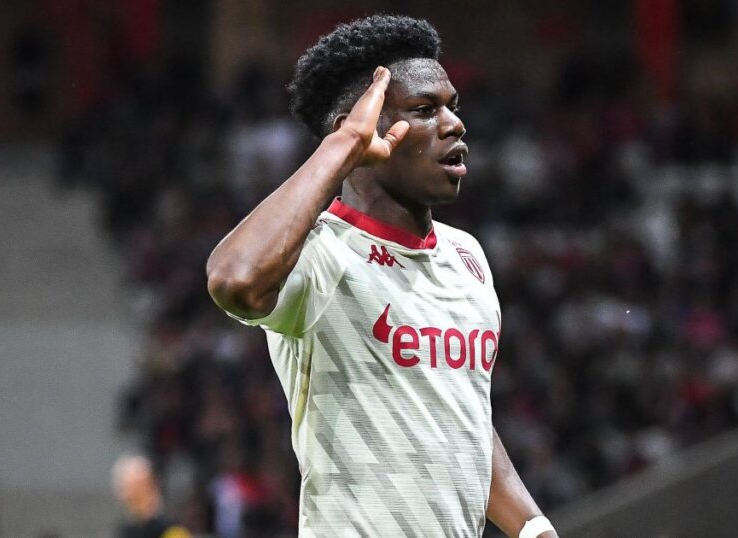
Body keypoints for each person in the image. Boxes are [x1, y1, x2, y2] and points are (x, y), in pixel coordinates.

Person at [206, 14, 557, 538]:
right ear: (361, 127)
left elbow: (461, 416)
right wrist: (342, 146)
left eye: (452, 107)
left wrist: (535, 529)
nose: (454, 124)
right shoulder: (319, 255)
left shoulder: (468, 256)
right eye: (424, 110)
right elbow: (232, 279)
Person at [112, 454, 192, 538]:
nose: (124, 492)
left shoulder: (171, 530)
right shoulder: (126, 531)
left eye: (132, 486)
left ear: (150, 485)